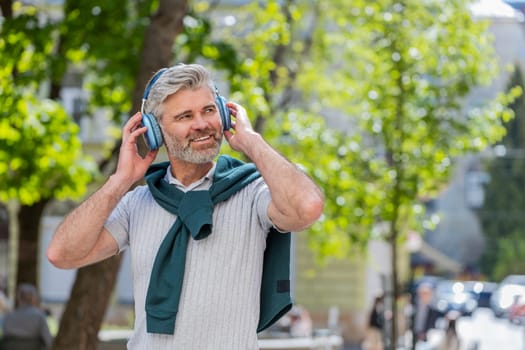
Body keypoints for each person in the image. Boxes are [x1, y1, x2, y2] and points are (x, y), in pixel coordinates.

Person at [46, 63, 324, 349]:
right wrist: (120, 181)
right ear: (155, 131)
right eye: (185, 116)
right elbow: (62, 254)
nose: (201, 123)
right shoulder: (137, 203)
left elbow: (308, 207)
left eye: (208, 110)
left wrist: (252, 142)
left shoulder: (252, 194)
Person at [1, 283, 52, 350]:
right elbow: (48, 341)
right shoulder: (39, 316)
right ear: (34, 298)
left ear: (19, 298)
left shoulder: (9, 316)